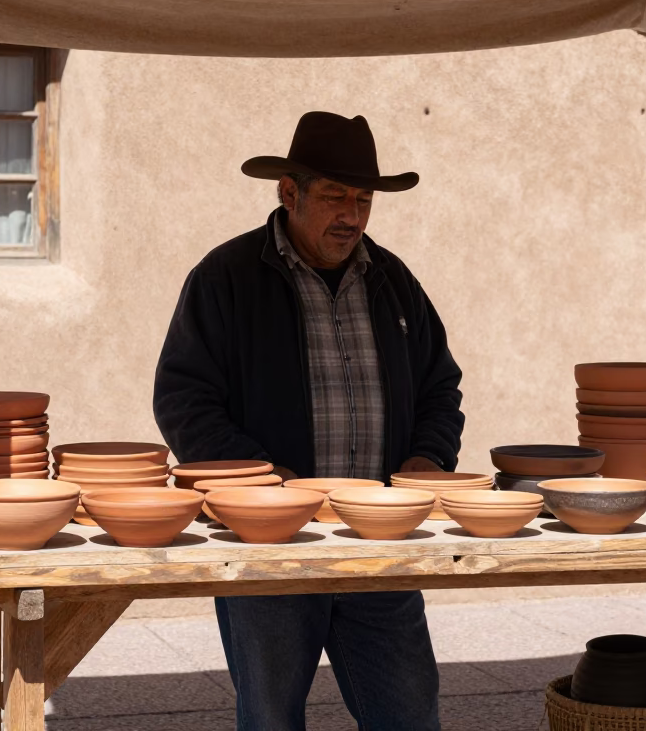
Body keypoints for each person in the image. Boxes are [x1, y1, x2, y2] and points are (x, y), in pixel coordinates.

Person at [154, 111, 465, 730]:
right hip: (272, 548)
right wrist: (267, 482)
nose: (351, 214)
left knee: (409, 714)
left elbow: (440, 385)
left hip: (375, 542)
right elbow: (184, 399)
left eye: (363, 198)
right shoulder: (226, 278)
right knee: (270, 719)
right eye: (333, 196)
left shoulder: (394, 282)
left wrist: (427, 462)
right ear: (288, 193)